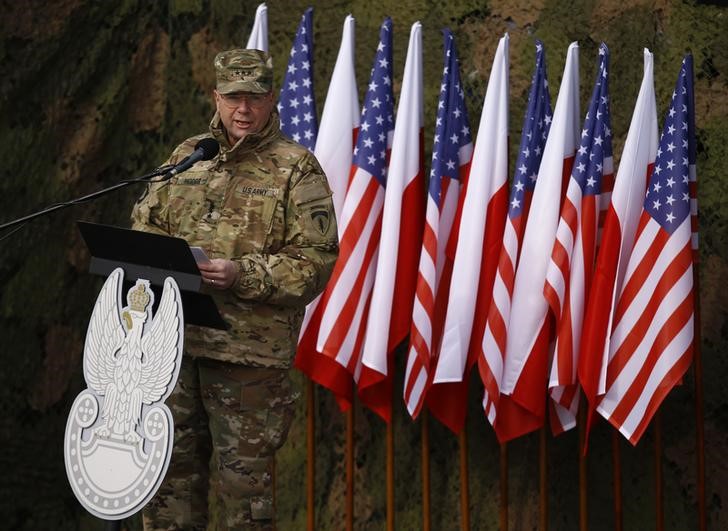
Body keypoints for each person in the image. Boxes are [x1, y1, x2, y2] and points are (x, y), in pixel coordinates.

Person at [131, 48, 338, 530]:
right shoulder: (188, 156)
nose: (243, 109)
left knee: (244, 496)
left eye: (255, 97)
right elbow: (145, 223)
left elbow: (316, 262)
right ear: (216, 96)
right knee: (167, 483)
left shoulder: (297, 169)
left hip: (247, 360)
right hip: (173, 348)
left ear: (271, 99)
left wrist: (241, 274)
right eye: (232, 97)